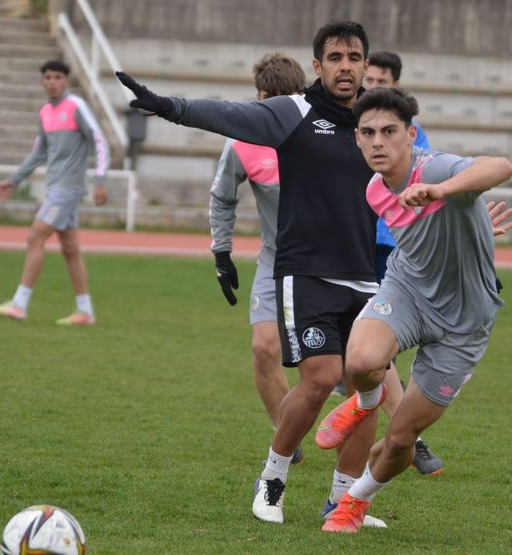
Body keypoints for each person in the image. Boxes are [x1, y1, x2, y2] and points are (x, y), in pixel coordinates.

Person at [118, 21, 388, 528]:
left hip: (364, 276)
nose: (346, 66)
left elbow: (416, 170)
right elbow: (228, 114)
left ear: (365, 64)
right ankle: (273, 478)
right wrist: (169, 106)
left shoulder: (377, 119)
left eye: (354, 57)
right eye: (335, 57)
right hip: (304, 273)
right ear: (318, 66)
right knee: (321, 378)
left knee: (365, 387)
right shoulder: (293, 113)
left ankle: (344, 500)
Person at [316, 87, 512, 533]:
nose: (377, 142)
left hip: (464, 322)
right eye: (367, 133)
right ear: (357, 140)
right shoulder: (374, 189)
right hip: (409, 291)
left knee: (401, 439)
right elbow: (423, 238)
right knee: (362, 361)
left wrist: (442, 191)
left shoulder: (436, 167)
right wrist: (475, 229)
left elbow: (501, 166)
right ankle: (365, 402)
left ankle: (355, 500)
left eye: (389, 132)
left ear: (411, 135)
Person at [209, 53, 305, 462]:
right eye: (262, 100)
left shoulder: (322, 133)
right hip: (275, 259)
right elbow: (222, 197)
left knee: (342, 369)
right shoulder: (243, 141)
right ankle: (287, 440)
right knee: (265, 349)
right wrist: (222, 250)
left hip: (329, 263)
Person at [362, 50, 444, 476]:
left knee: (385, 353)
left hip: (399, 251)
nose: (373, 85)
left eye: (382, 81)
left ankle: (407, 434)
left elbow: (426, 184)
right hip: (355, 250)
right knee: (368, 355)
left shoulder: (412, 135)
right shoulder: (355, 129)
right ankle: (405, 435)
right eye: (368, 79)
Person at [0, 60, 109, 326]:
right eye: (47, 77)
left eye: (57, 77)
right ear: (42, 82)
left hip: (69, 189)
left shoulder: (76, 106)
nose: (52, 82)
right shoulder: (45, 112)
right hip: (55, 188)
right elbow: (38, 152)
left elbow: (99, 140)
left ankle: (19, 304)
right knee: (70, 249)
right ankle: (85, 311)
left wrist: (100, 180)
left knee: (35, 236)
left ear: (66, 81)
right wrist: (14, 180)